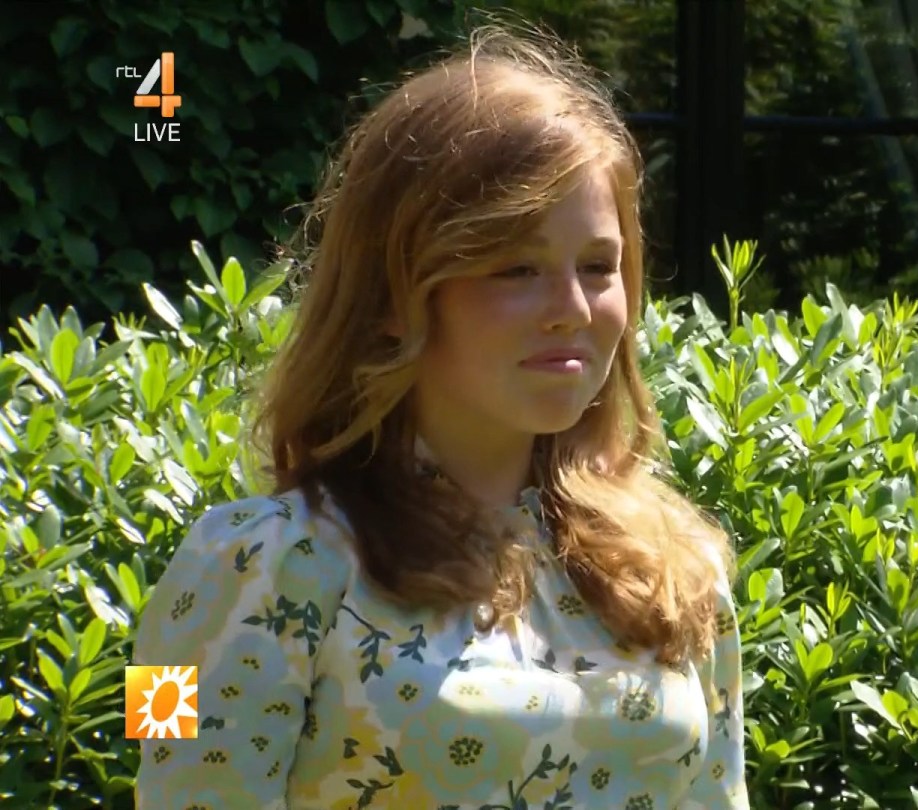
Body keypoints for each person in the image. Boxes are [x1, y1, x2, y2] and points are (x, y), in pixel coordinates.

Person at [132, 22, 749, 810]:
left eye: (599, 267)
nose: (572, 308)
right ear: (392, 293)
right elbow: (163, 785)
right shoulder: (233, 565)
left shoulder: (674, 564)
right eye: (516, 268)